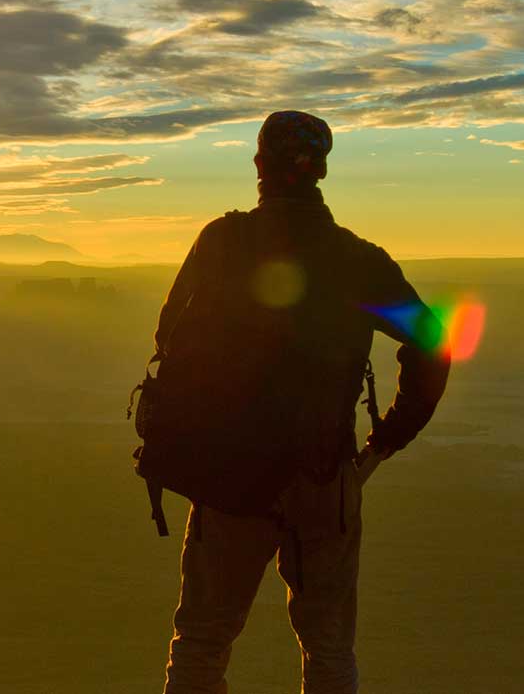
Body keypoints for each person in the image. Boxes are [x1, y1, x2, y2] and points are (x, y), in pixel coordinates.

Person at [155, 110, 451, 694]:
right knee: (329, 649)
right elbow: (433, 342)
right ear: (321, 170)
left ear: (259, 164)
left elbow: (169, 336)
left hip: (228, 479)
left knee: (201, 643)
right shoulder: (358, 260)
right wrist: (384, 442)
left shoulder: (222, 241)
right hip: (324, 479)